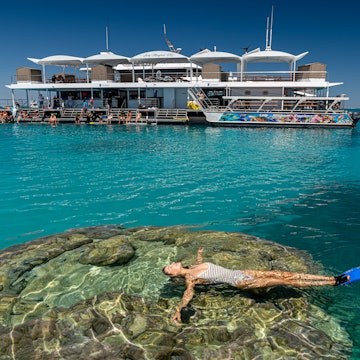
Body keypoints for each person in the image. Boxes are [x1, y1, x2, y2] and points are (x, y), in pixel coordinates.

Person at [163, 248, 360, 325]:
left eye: (170, 264)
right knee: (286, 281)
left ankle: (330, 278)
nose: (172, 265)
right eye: (169, 269)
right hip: (242, 281)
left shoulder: (194, 266)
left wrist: (199, 253)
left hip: (243, 271)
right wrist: (179, 309)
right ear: (174, 274)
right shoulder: (190, 277)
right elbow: (188, 294)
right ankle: (334, 282)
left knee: (285, 274)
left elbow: (203, 264)